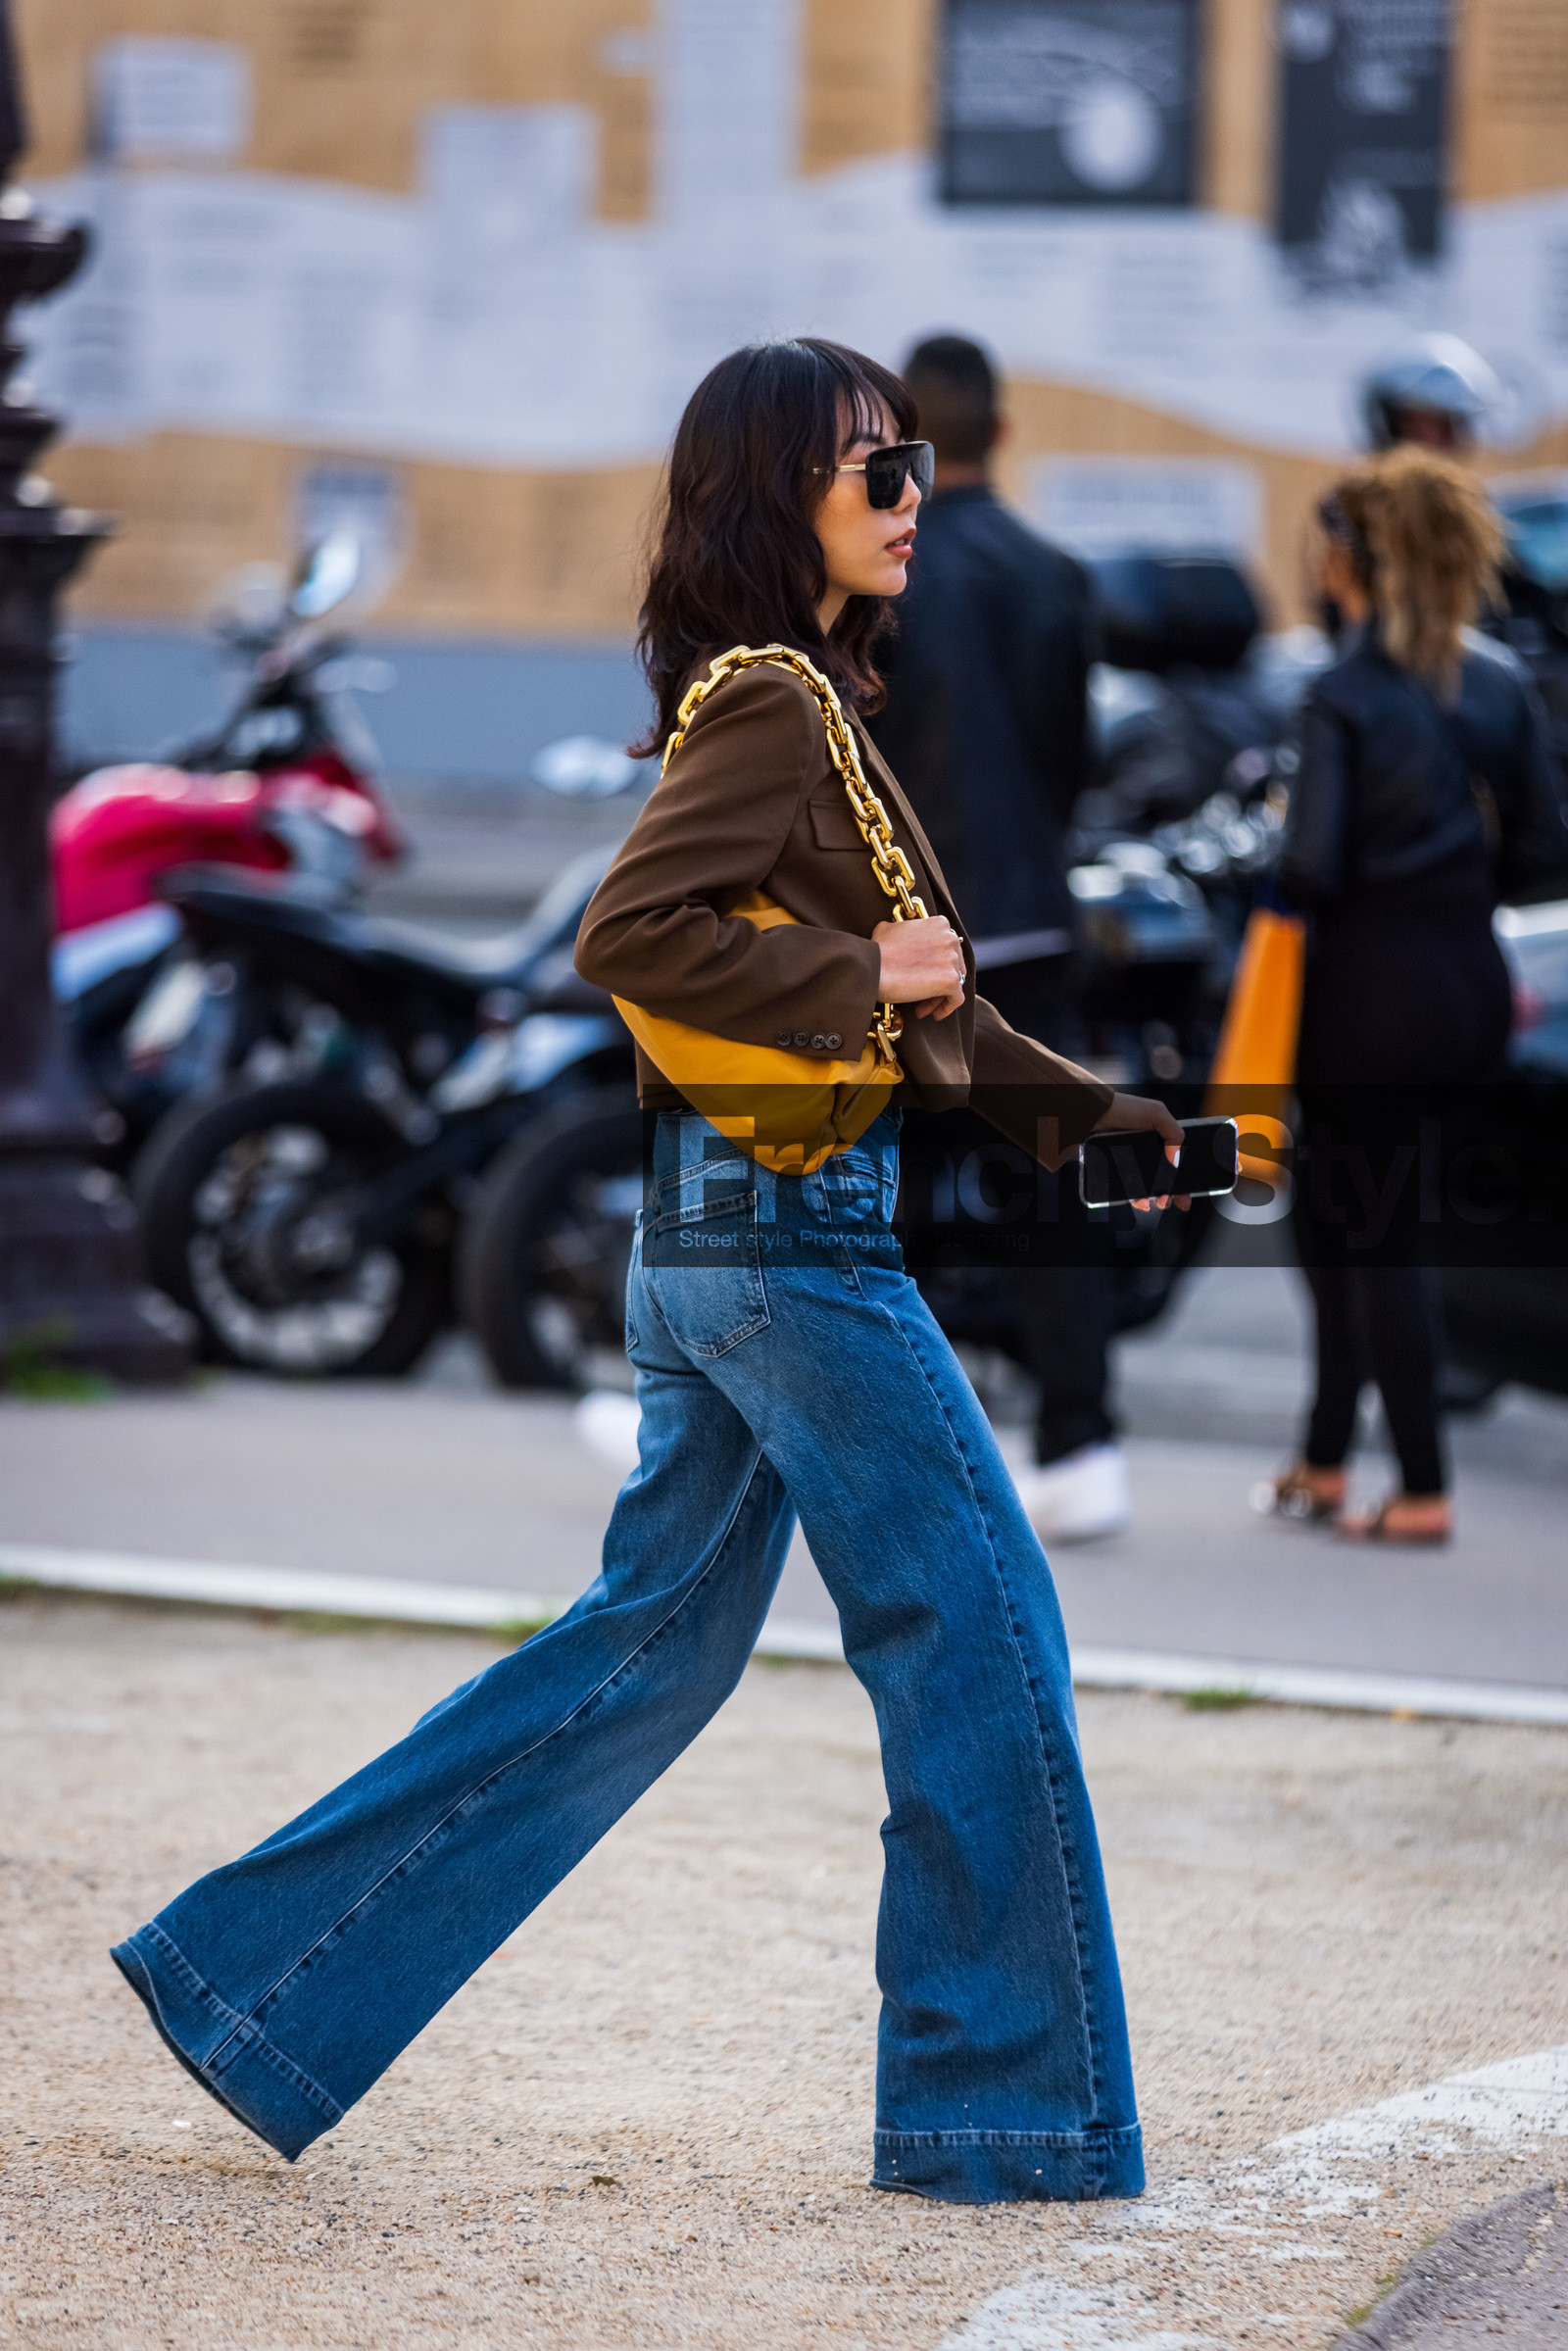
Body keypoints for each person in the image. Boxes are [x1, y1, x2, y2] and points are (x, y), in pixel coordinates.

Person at [110, 337, 1181, 2206]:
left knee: (642, 1653)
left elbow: (933, 1006)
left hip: (721, 1232)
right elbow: (634, 932)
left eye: (917, 467)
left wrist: (1106, 1128)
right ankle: (1002, 2104)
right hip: (786, 1239)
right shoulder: (771, 703)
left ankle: (253, 1975)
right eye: (876, 472)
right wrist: (860, 974)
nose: (913, 500)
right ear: (780, 498)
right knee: (980, 1625)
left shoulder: (794, 702)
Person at [1268, 448, 1567, 1542]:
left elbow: (1309, 865)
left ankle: (1423, 1487)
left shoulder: (1341, 690)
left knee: (1373, 1233)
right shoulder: (1497, 680)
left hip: (1367, 997)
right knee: (1347, 1215)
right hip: (1467, 984)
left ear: (1352, 558)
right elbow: (1541, 846)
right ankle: (1322, 1459)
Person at [868, 333, 1126, 1543]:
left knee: (847, 1185)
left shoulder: (882, 574)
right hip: (1027, 918)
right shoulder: (1053, 572)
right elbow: (1075, 760)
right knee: (1053, 1186)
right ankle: (1081, 1444)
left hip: (908, 932)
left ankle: (825, 1445)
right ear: (1003, 431)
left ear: (898, 444)